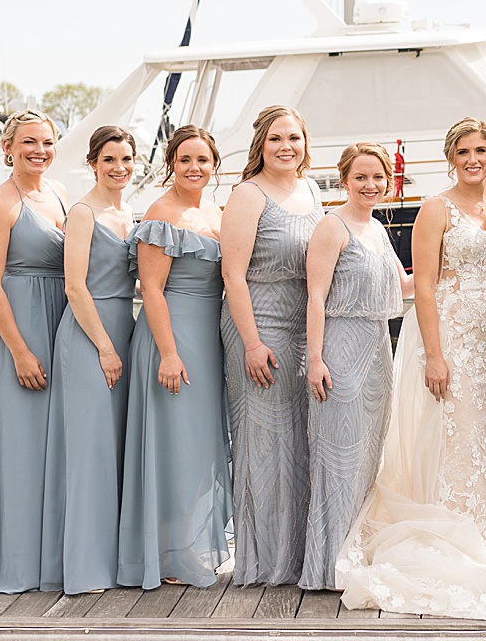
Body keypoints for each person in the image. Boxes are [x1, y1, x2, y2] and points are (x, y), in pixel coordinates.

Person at [335, 120, 486, 619]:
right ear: (452, 157)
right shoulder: (435, 208)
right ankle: (448, 539)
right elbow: (423, 285)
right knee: (451, 438)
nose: (473, 159)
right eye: (463, 151)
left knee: (484, 440)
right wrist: (435, 354)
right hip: (448, 336)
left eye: (481, 150)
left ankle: (481, 539)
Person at [116, 125, 231, 589]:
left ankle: (186, 547)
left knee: (199, 446)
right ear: (171, 164)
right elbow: (153, 291)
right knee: (173, 447)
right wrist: (167, 353)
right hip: (173, 339)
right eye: (185, 160)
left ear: (214, 165)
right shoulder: (161, 214)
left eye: (202, 160)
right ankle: (164, 556)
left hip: (208, 339)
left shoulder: (218, 213)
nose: (194, 168)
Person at [0, 110, 68, 593]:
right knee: (22, 446)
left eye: (46, 142)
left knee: (60, 446)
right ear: (8, 148)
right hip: (21, 326)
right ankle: (16, 564)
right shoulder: (0, 203)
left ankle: (58, 556)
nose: (38, 150)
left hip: (63, 322)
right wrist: (21, 352)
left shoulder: (61, 193)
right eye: (28, 143)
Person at [220, 106, 323, 587]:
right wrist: (251, 343)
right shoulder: (248, 194)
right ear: (261, 143)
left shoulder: (311, 189)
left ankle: (300, 554)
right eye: (277, 138)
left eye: (295, 138)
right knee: (264, 444)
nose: (286, 147)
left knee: (300, 440)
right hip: (258, 325)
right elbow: (232, 275)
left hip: (304, 330)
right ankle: (263, 562)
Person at [300, 143, 410, 591]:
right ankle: (329, 567)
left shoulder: (378, 230)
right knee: (339, 459)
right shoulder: (332, 226)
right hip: (341, 350)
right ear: (345, 180)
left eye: (378, 177)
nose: (370, 185)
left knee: (368, 458)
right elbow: (316, 296)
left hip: (377, 349)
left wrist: (446, 271)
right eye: (361, 177)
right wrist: (315, 358)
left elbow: (401, 287)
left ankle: (356, 554)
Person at [41, 125, 138, 595]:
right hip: (89, 336)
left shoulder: (129, 211)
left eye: (126, 160)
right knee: (90, 453)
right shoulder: (82, 213)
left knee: (117, 450)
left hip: (125, 327)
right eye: (110, 160)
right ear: (93, 163)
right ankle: (85, 569)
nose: (119, 168)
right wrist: (103, 346)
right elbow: (74, 286)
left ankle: (118, 558)